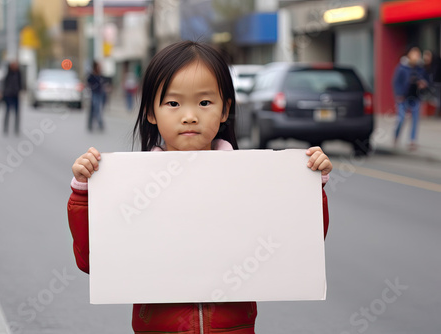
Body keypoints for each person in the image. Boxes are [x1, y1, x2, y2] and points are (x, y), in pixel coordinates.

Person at [67, 41, 332, 333]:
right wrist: (83, 192)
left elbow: (297, 245)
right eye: (173, 103)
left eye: (205, 102)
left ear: (224, 110)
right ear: (151, 112)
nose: (190, 115)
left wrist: (310, 186)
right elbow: (92, 260)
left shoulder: (251, 181)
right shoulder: (133, 187)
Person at [392, 46, 429, 151]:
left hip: (415, 96)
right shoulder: (402, 67)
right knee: (401, 118)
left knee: (415, 119)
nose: (416, 56)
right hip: (403, 97)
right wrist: (399, 94)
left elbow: (426, 80)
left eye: (417, 54)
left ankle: (412, 141)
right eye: (414, 53)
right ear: (408, 54)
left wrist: (423, 83)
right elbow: (396, 82)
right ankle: (396, 135)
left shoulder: (420, 68)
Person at [87, 61, 112, 132]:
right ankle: (100, 124)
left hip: (102, 93)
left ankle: (92, 124)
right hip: (95, 94)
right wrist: (95, 87)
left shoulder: (101, 75)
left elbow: (106, 82)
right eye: (99, 66)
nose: (100, 68)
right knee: (96, 109)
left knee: (97, 109)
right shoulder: (92, 75)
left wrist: (107, 87)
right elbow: (89, 83)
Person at [0, 61, 23, 135]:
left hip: (16, 95)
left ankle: (16, 129)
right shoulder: (8, 74)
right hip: (8, 95)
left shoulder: (18, 74)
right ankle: (5, 128)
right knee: (7, 112)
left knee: (17, 113)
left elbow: (21, 83)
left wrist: (21, 91)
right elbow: (4, 84)